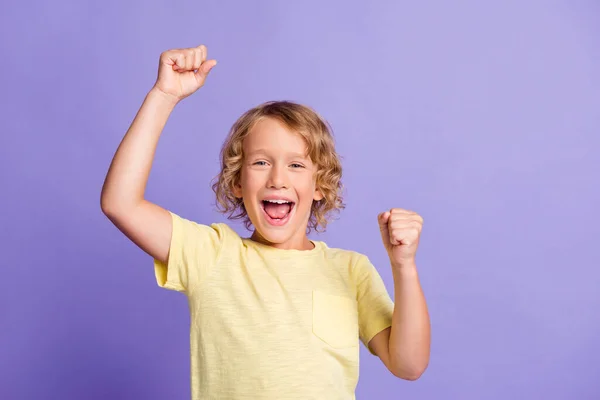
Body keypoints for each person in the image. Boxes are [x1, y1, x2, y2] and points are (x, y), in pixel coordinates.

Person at [100, 44, 430, 400]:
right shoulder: (212, 255)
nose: (277, 179)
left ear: (319, 185)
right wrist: (163, 96)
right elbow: (121, 203)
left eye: (296, 165)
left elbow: (408, 365)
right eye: (260, 163)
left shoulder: (351, 270)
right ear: (237, 182)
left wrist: (404, 266)